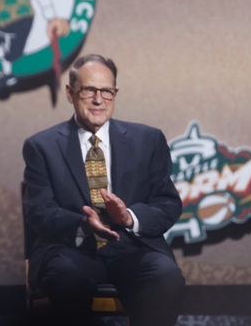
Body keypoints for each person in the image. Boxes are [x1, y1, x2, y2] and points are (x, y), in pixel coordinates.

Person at [22, 54, 184, 326]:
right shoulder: (42, 146)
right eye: (89, 90)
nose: (99, 100)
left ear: (115, 93)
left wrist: (129, 217)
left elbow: (167, 203)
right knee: (64, 278)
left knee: (165, 276)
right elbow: (39, 211)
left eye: (107, 91)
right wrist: (83, 223)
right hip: (72, 248)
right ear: (70, 93)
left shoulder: (148, 140)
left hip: (133, 247)